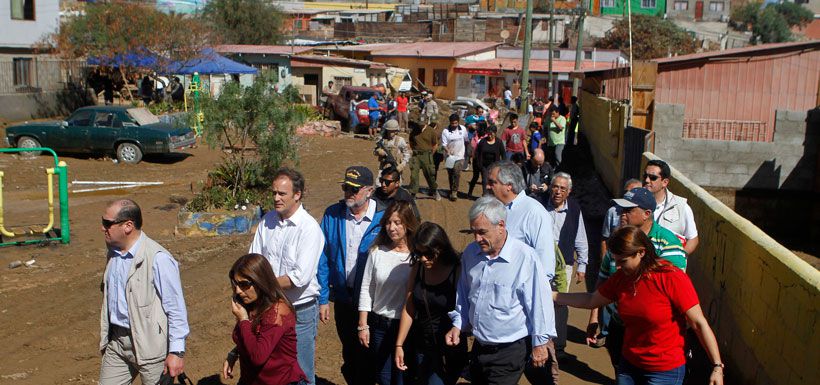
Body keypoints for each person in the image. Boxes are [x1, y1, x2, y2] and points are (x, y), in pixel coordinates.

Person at [555, 226, 725, 385]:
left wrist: (717, 366)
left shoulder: (671, 278)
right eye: (616, 261)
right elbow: (591, 300)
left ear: (641, 253)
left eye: (623, 261)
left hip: (664, 372)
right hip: (629, 366)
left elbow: (698, 323)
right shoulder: (621, 278)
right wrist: (554, 296)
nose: (618, 266)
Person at [446, 196, 555, 385]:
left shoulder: (524, 258)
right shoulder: (471, 254)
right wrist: (458, 324)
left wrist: (540, 343)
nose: (477, 239)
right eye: (474, 232)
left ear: (501, 225)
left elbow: (540, 303)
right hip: (479, 348)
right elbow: (464, 294)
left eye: (482, 232)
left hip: (509, 352)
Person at [98, 199, 188, 385]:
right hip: (118, 342)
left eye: (107, 223)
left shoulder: (158, 259)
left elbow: (176, 308)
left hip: (151, 346)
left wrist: (176, 352)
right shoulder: (113, 253)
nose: (102, 228)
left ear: (128, 226)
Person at [247, 168, 324, 384]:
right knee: (272, 368)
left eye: (282, 194)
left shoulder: (309, 229)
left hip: (299, 311)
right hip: (269, 309)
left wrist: (261, 284)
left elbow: (298, 278)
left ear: (297, 195)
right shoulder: (267, 221)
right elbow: (254, 260)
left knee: (301, 372)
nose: (276, 198)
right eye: (274, 193)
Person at [317, 166, 386, 385]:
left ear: (369, 190)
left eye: (354, 189)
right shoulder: (332, 214)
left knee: (372, 349)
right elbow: (323, 255)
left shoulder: (384, 217)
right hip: (343, 297)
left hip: (375, 300)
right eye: (346, 187)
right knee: (350, 348)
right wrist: (323, 297)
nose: (348, 192)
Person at [395, 222, 467, 385]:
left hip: (448, 351)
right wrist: (399, 344)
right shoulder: (418, 268)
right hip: (421, 345)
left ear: (440, 247)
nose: (423, 258)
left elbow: (466, 308)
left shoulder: (457, 270)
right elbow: (409, 307)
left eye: (428, 253)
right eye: (419, 253)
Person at [358, 202, 420, 385]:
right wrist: (363, 325)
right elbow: (367, 288)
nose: (392, 228)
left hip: (407, 327)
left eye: (398, 222)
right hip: (379, 325)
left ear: (408, 224)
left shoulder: (417, 255)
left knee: (403, 376)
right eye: (388, 223)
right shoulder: (377, 252)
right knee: (384, 377)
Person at [223, 254, 309, 385]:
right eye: (235, 284)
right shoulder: (251, 305)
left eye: (244, 284)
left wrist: (244, 320)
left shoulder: (278, 311)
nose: (238, 291)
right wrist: (234, 353)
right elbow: (253, 338)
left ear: (260, 281)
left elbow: (258, 356)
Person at [590, 178, 642, 349]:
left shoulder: (659, 248)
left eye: (628, 210)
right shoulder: (613, 253)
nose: (622, 215)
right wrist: (594, 316)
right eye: (622, 210)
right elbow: (598, 289)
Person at [543, 172, 589, 361]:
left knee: (560, 302)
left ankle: (559, 346)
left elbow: (581, 237)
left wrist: (582, 265)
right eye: (555, 186)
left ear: (568, 192)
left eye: (563, 188)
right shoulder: (538, 205)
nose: (558, 191)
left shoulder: (575, 209)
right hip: (539, 262)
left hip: (564, 266)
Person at [644, 159, 699, 255]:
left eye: (652, 177)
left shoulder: (681, 207)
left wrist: (676, 258)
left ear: (665, 182)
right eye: (645, 176)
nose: (646, 180)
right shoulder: (635, 203)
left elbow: (693, 239)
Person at [467, 126, 504, 198]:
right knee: (483, 179)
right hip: (482, 163)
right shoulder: (483, 141)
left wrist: (503, 165)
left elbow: (503, 154)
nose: (490, 136)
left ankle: (491, 195)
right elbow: (477, 153)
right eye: (488, 134)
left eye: (491, 134)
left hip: (494, 165)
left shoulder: (499, 142)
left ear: (495, 133)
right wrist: (478, 163)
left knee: (493, 180)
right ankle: (483, 195)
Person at [408, 121, 441, 201]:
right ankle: (413, 193)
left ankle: (434, 191)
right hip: (416, 155)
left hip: (427, 155)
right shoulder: (415, 130)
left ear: (426, 122)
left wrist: (430, 154)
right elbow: (411, 142)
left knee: (429, 175)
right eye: (419, 124)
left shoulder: (431, 131)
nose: (421, 126)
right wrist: (414, 150)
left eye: (422, 124)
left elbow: (435, 144)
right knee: (414, 175)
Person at [441, 114, 468, 202]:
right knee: (451, 174)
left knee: (456, 172)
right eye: (452, 123)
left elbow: (466, 140)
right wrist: (447, 150)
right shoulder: (445, 131)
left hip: (460, 155)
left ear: (458, 122)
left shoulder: (463, 129)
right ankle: (451, 189)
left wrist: (467, 154)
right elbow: (444, 144)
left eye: (456, 123)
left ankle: (454, 191)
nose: (454, 125)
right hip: (450, 156)